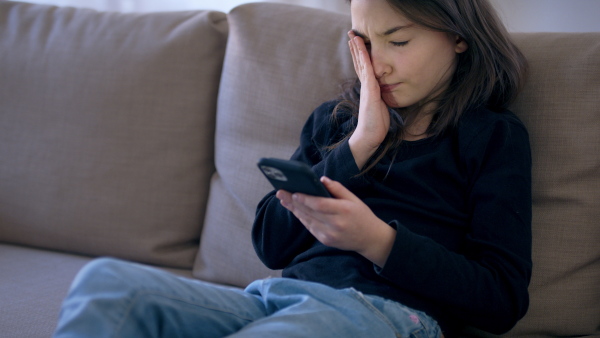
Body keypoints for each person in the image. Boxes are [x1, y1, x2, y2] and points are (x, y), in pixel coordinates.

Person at [53, 0, 532, 337]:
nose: (378, 64)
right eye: (364, 42)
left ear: (458, 38)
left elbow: (500, 299)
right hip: (277, 299)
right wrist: (360, 143)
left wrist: (377, 241)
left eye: (398, 40)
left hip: (387, 317)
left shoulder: (491, 138)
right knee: (106, 285)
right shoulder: (336, 123)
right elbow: (270, 243)